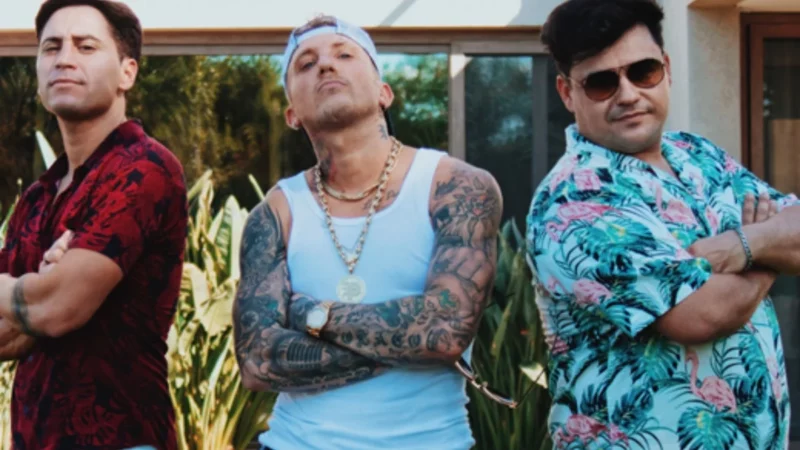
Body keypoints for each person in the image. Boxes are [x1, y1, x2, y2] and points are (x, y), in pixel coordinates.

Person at [526, 0, 799, 448]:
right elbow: (702, 315)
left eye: (643, 71)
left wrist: (740, 246)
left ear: (667, 69)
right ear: (567, 93)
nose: (628, 94)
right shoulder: (575, 199)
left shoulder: (697, 155)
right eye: (601, 82)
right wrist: (768, 251)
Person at [232, 15, 503, 450]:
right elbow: (257, 360)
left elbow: (446, 330)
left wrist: (312, 316)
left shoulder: (454, 186)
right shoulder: (278, 211)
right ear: (292, 114)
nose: (325, 65)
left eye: (344, 54)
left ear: (384, 93)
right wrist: (409, 342)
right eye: (306, 63)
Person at [0, 0, 187, 448]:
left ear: (127, 72)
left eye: (85, 46)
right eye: (51, 47)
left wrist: (40, 294)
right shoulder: (37, 196)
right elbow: (8, 337)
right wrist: (36, 290)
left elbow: (57, 308)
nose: (64, 59)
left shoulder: (145, 168)